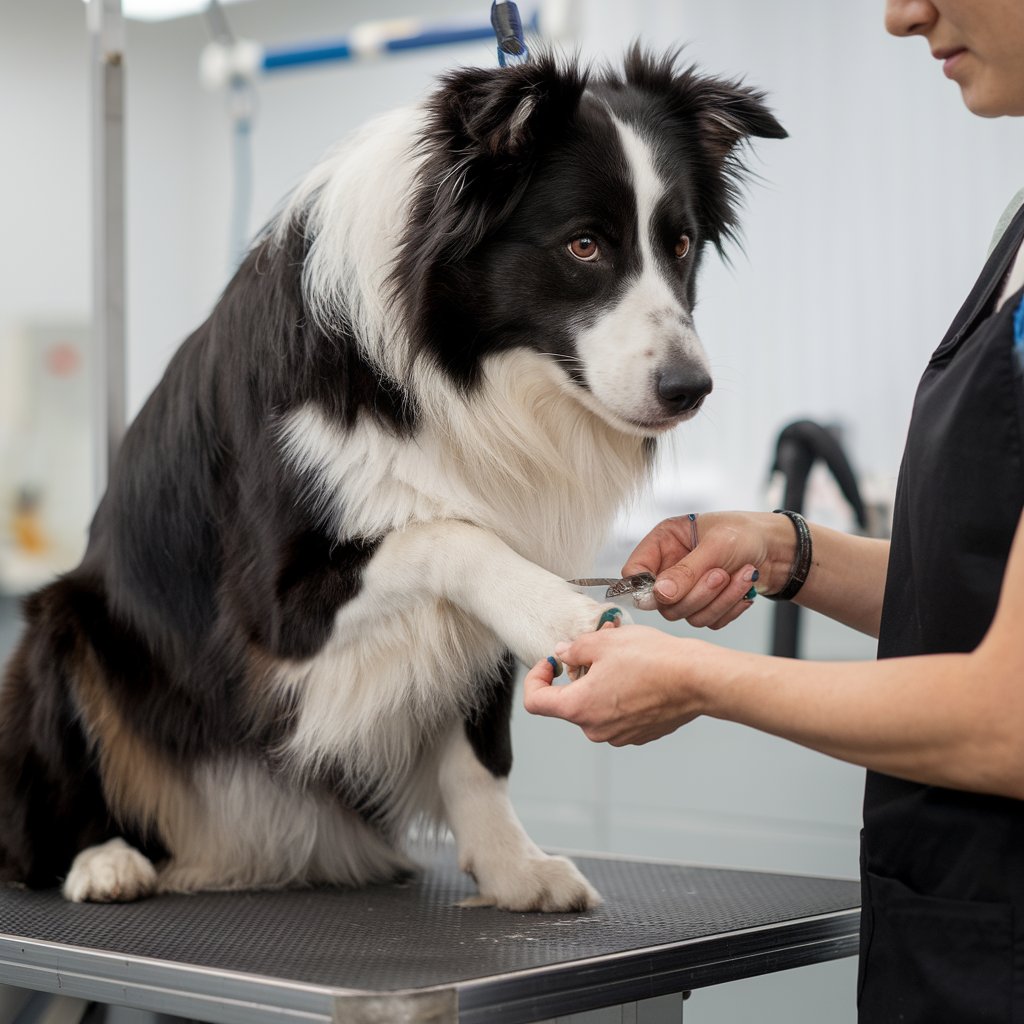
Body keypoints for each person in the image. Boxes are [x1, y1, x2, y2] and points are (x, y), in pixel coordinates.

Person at [523, 2, 1024, 1020]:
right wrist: (786, 551)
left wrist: (698, 680)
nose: (899, 15)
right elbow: (977, 596)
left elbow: (1010, 715)